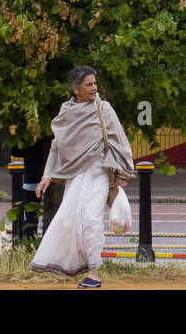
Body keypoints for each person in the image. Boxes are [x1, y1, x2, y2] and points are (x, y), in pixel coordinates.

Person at [31, 66, 135, 288]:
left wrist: (123, 173)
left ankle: (94, 272)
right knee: (69, 221)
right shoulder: (66, 111)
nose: (94, 88)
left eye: (95, 84)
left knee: (91, 219)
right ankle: (71, 265)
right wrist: (47, 176)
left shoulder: (103, 109)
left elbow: (120, 140)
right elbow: (56, 147)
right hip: (74, 176)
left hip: (99, 173)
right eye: (89, 84)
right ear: (75, 88)